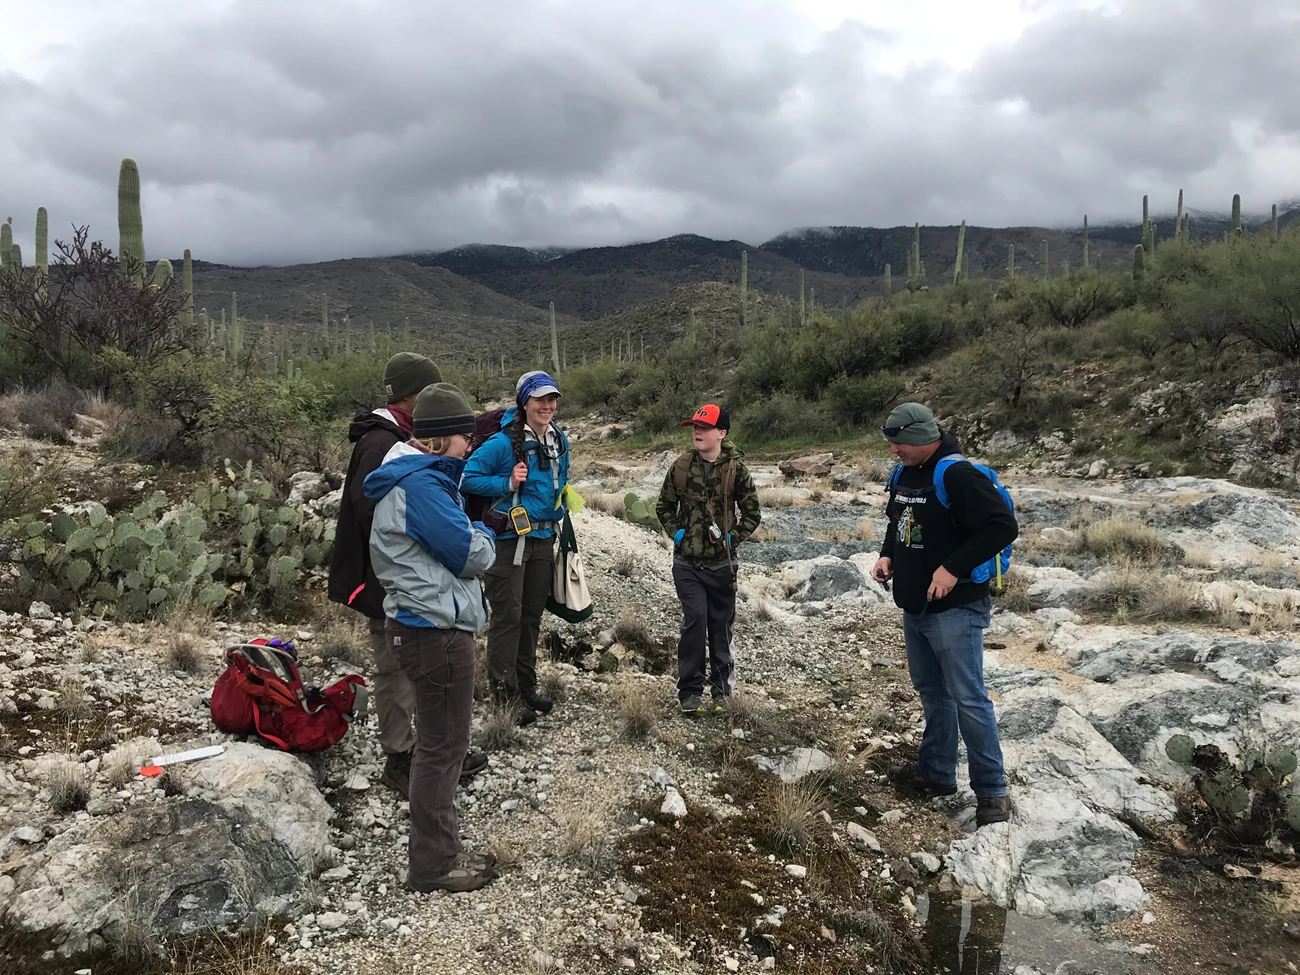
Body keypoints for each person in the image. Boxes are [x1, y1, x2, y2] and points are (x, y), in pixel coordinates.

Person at [327, 352, 487, 796]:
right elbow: (374, 514)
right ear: (411, 396)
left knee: (411, 669)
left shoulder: (395, 439)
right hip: (387, 581)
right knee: (396, 669)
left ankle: (425, 748)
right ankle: (402, 756)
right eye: (428, 393)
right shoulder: (381, 444)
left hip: (396, 577)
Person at [364, 382, 498, 893]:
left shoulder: (412, 479)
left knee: (439, 746)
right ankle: (434, 865)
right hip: (435, 632)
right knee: (443, 749)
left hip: (421, 626)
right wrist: (483, 532)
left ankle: (439, 851)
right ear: (443, 439)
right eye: (465, 436)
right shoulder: (421, 487)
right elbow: (470, 553)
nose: (470, 445)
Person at [870, 402, 1018, 828]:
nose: (894, 451)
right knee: (933, 693)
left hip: (956, 609)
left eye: (899, 443)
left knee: (969, 698)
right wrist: (887, 556)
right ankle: (936, 774)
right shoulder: (904, 474)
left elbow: (1001, 526)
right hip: (915, 605)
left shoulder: (955, 473)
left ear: (922, 438)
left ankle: (992, 793)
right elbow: (898, 520)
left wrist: (952, 568)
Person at [461, 371, 571, 726]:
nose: (548, 405)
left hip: (542, 539)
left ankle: (526, 686)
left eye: (552, 399)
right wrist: (505, 482)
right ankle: (504, 696)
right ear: (525, 402)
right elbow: (466, 478)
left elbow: (561, 482)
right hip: (508, 542)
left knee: (531, 617)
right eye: (540, 399)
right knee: (507, 618)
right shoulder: (502, 443)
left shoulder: (560, 440)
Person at [655, 404, 761, 716]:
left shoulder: (737, 470)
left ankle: (722, 693)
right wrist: (676, 534)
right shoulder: (682, 466)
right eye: (694, 427)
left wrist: (735, 537)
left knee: (720, 627)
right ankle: (689, 693)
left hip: (722, 566)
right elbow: (663, 506)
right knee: (694, 622)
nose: (697, 432)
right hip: (687, 565)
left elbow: (753, 513)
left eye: (704, 427)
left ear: (722, 433)